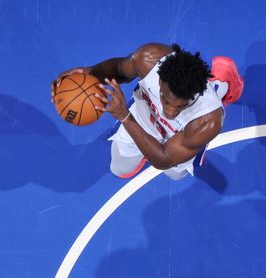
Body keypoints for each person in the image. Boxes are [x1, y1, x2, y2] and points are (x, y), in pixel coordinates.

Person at [51, 43, 244, 180]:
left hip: (178, 136)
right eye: (166, 101)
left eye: (180, 106)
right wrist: (88, 74)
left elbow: (164, 159)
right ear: (160, 82)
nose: (170, 112)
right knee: (119, 169)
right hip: (143, 119)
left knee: (175, 174)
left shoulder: (208, 121)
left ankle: (219, 85)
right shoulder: (149, 60)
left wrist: (125, 117)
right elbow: (119, 69)